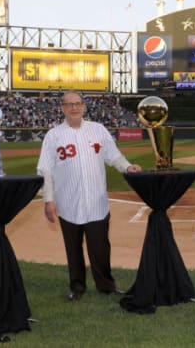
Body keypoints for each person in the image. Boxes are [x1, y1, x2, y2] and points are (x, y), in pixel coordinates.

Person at [37, 91, 141, 301]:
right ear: (63, 108)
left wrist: (128, 167)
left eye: (77, 103)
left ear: (84, 106)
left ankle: (106, 286)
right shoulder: (54, 135)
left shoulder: (97, 130)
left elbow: (114, 156)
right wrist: (49, 200)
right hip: (68, 202)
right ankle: (77, 287)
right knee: (73, 248)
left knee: (100, 247)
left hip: (96, 201)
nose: (74, 108)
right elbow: (45, 169)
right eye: (69, 104)